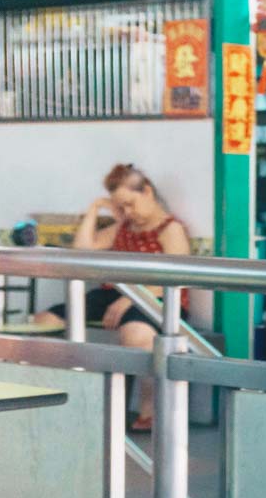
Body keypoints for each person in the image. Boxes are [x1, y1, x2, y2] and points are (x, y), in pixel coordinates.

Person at [36, 164, 190, 432]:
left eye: (131, 204)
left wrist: (133, 298)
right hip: (114, 294)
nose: (128, 212)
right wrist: (96, 209)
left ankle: (150, 413)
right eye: (122, 207)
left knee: (137, 337)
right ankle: (57, 399)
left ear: (147, 192)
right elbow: (82, 252)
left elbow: (177, 277)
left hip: (157, 300)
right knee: (44, 320)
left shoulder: (170, 229)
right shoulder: (123, 227)